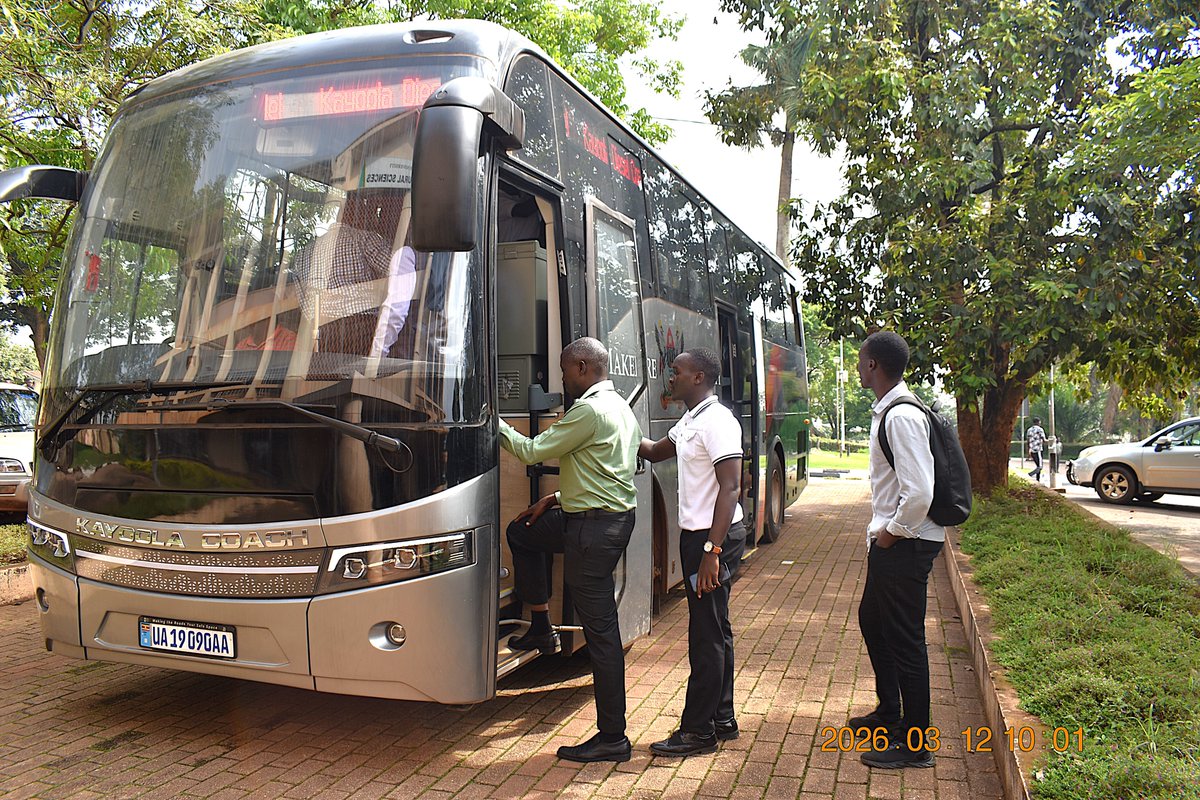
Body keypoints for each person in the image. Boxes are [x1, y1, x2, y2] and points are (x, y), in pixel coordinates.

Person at [499, 337, 641, 764]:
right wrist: (556, 497)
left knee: (601, 633)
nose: (563, 380)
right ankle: (542, 624)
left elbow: (530, 450)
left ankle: (613, 737)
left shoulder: (589, 411)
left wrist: (493, 422)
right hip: (598, 517)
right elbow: (608, 471)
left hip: (593, 529)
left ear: (582, 366)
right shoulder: (619, 406)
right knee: (523, 532)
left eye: (564, 372)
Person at [639, 348, 745, 757]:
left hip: (712, 538)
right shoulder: (692, 418)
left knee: (705, 635)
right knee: (716, 627)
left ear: (698, 377)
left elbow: (731, 487)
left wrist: (711, 551)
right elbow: (654, 450)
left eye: (678, 371)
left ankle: (698, 731)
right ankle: (722, 717)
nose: (672, 376)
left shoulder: (719, 422)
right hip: (698, 536)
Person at [850, 330, 944, 770]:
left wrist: (889, 534)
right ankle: (890, 710)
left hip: (907, 541)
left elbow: (920, 492)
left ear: (873, 365)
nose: (857, 365)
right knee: (873, 619)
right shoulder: (889, 410)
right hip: (895, 539)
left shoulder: (902, 417)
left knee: (906, 640)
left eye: (860, 359)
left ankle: (916, 743)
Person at [1026, 417, 1047, 483]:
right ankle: (1030, 474)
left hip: (1032, 450)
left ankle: (1038, 480)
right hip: (1038, 450)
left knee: (1038, 465)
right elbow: (1044, 440)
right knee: (1040, 466)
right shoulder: (1040, 429)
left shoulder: (1029, 430)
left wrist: (1028, 451)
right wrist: (1051, 441)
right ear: (1038, 422)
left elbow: (1028, 441)